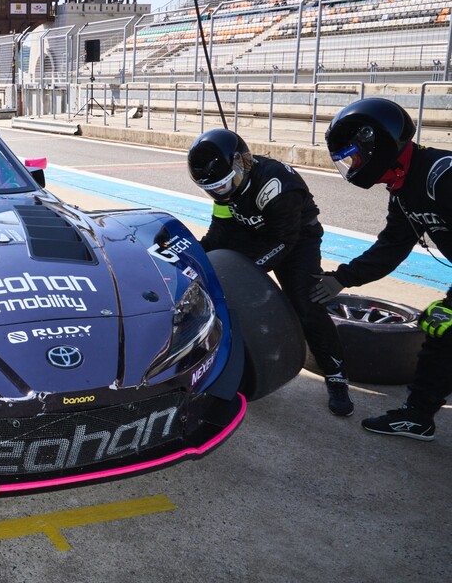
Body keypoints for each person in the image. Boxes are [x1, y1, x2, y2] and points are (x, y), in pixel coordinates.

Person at [313, 98, 452, 440]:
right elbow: (391, 248)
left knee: (445, 326)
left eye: (355, 157)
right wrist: (341, 278)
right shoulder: (403, 190)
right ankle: (418, 417)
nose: (354, 166)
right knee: (442, 333)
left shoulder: (442, 175)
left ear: (379, 146)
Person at [188, 128, 353, 416]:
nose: (220, 193)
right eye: (213, 189)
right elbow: (218, 234)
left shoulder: (277, 185)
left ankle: (336, 374)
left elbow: (284, 240)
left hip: (296, 239)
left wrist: (247, 273)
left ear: (242, 164)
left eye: (224, 186)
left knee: (306, 303)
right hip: (251, 232)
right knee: (213, 281)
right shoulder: (223, 190)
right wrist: (194, 257)